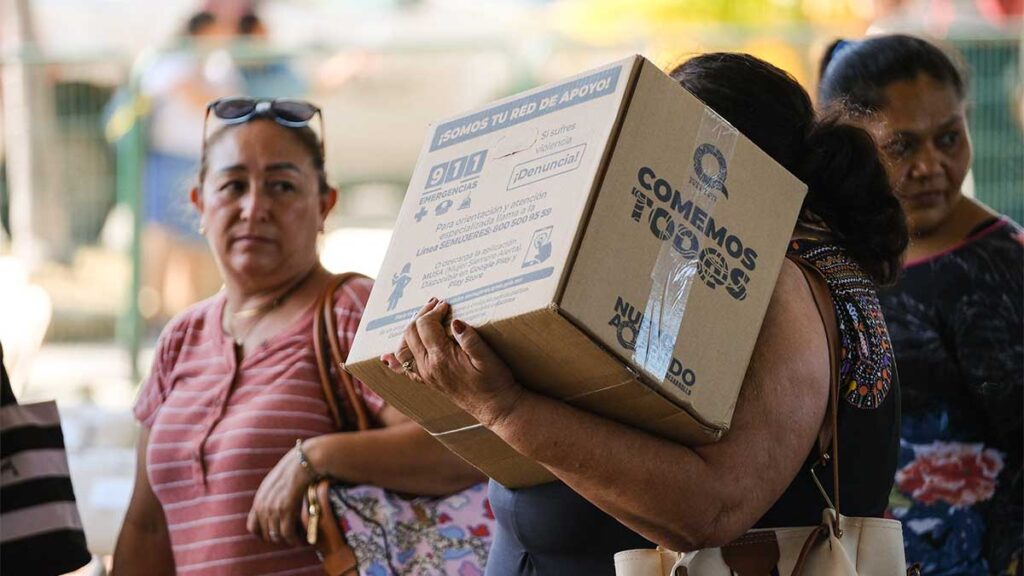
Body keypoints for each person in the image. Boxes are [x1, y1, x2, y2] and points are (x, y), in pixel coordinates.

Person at [382, 52, 909, 575]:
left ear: (718, 165)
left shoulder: (782, 285)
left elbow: (712, 508)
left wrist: (504, 409)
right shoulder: (756, 277)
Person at [112, 97, 488, 575]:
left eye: (282, 186)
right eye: (233, 186)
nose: (254, 208)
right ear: (200, 204)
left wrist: (318, 456)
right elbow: (147, 527)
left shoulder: (351, 312)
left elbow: (459, 449)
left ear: (324, 205)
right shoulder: (180, 339)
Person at [818, 34, 1023, 576]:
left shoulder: (1002, 268)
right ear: (848, 148)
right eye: (903, 146)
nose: (931, 165)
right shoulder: (825, 258)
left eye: (949, 138)